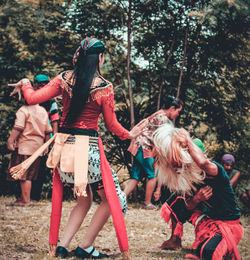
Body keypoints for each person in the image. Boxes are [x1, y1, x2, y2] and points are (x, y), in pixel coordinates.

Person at [8, 37, 145, 259]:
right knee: (114, 200)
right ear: (100, 58)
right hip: (88, 152)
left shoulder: (64, 79)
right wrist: (130, 135)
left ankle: (62, 247)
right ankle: (85, 247)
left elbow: (32, 97)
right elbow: (111, 126)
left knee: (85, 199)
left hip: (63, 150)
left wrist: (25, 81)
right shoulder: (103, 87)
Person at [152, 124, 243, 259]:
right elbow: (188, 206)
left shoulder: (214, 169)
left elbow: (203, 163)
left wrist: (187, 139)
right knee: (176, 199)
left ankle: (225, 248)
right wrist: (197, 199)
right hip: (207, 222)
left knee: (207, 252)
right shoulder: (188, 178)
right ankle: (175, 239)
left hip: (228, 225)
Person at [124, 95, 183, 210]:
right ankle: (147, 203)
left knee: (135, 176)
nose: (177, 115)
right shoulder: (163, 119)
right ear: (172, 108)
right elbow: (162, 141)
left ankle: (120, 201)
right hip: (144, 146)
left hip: (138, 144)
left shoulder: (159, 114)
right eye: (178, 111)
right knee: (153, 176)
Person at [7, 95, 52, 205]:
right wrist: (45, 146)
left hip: (25, 146)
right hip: (37, 147)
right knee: (30, 174)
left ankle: (25, 200)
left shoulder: (23, 110)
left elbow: (18, 127)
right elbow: (47, 131)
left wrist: (10, 140)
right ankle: (23, 198)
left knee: (24, 175)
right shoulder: (42, 110)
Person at [31, 74, 60, 201]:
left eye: (45, 84)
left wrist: (54, 140)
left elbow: (54, 120)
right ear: (35, 85)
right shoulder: (31, 99)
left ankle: (35, 195)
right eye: (40, 84)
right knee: (28, 163)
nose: (43, 86)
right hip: (31, 136)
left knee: (41, 167)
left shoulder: (51, 101)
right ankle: (24, 194)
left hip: (46, 138)